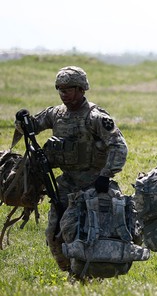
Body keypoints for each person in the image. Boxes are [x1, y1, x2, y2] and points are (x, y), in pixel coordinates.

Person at [13, 66, 128, 273]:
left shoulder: (95, 117)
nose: (63, 94)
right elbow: (30, 127)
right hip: (65, 184)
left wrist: (105, 175)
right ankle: (71, 273)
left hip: (92, 185)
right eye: (60, 89)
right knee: (53, 234)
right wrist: (22, 121)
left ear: (82, 89)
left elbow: (119, 146)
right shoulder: (56, 114)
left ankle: (82, 275)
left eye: (68, 89)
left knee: (76, 231)